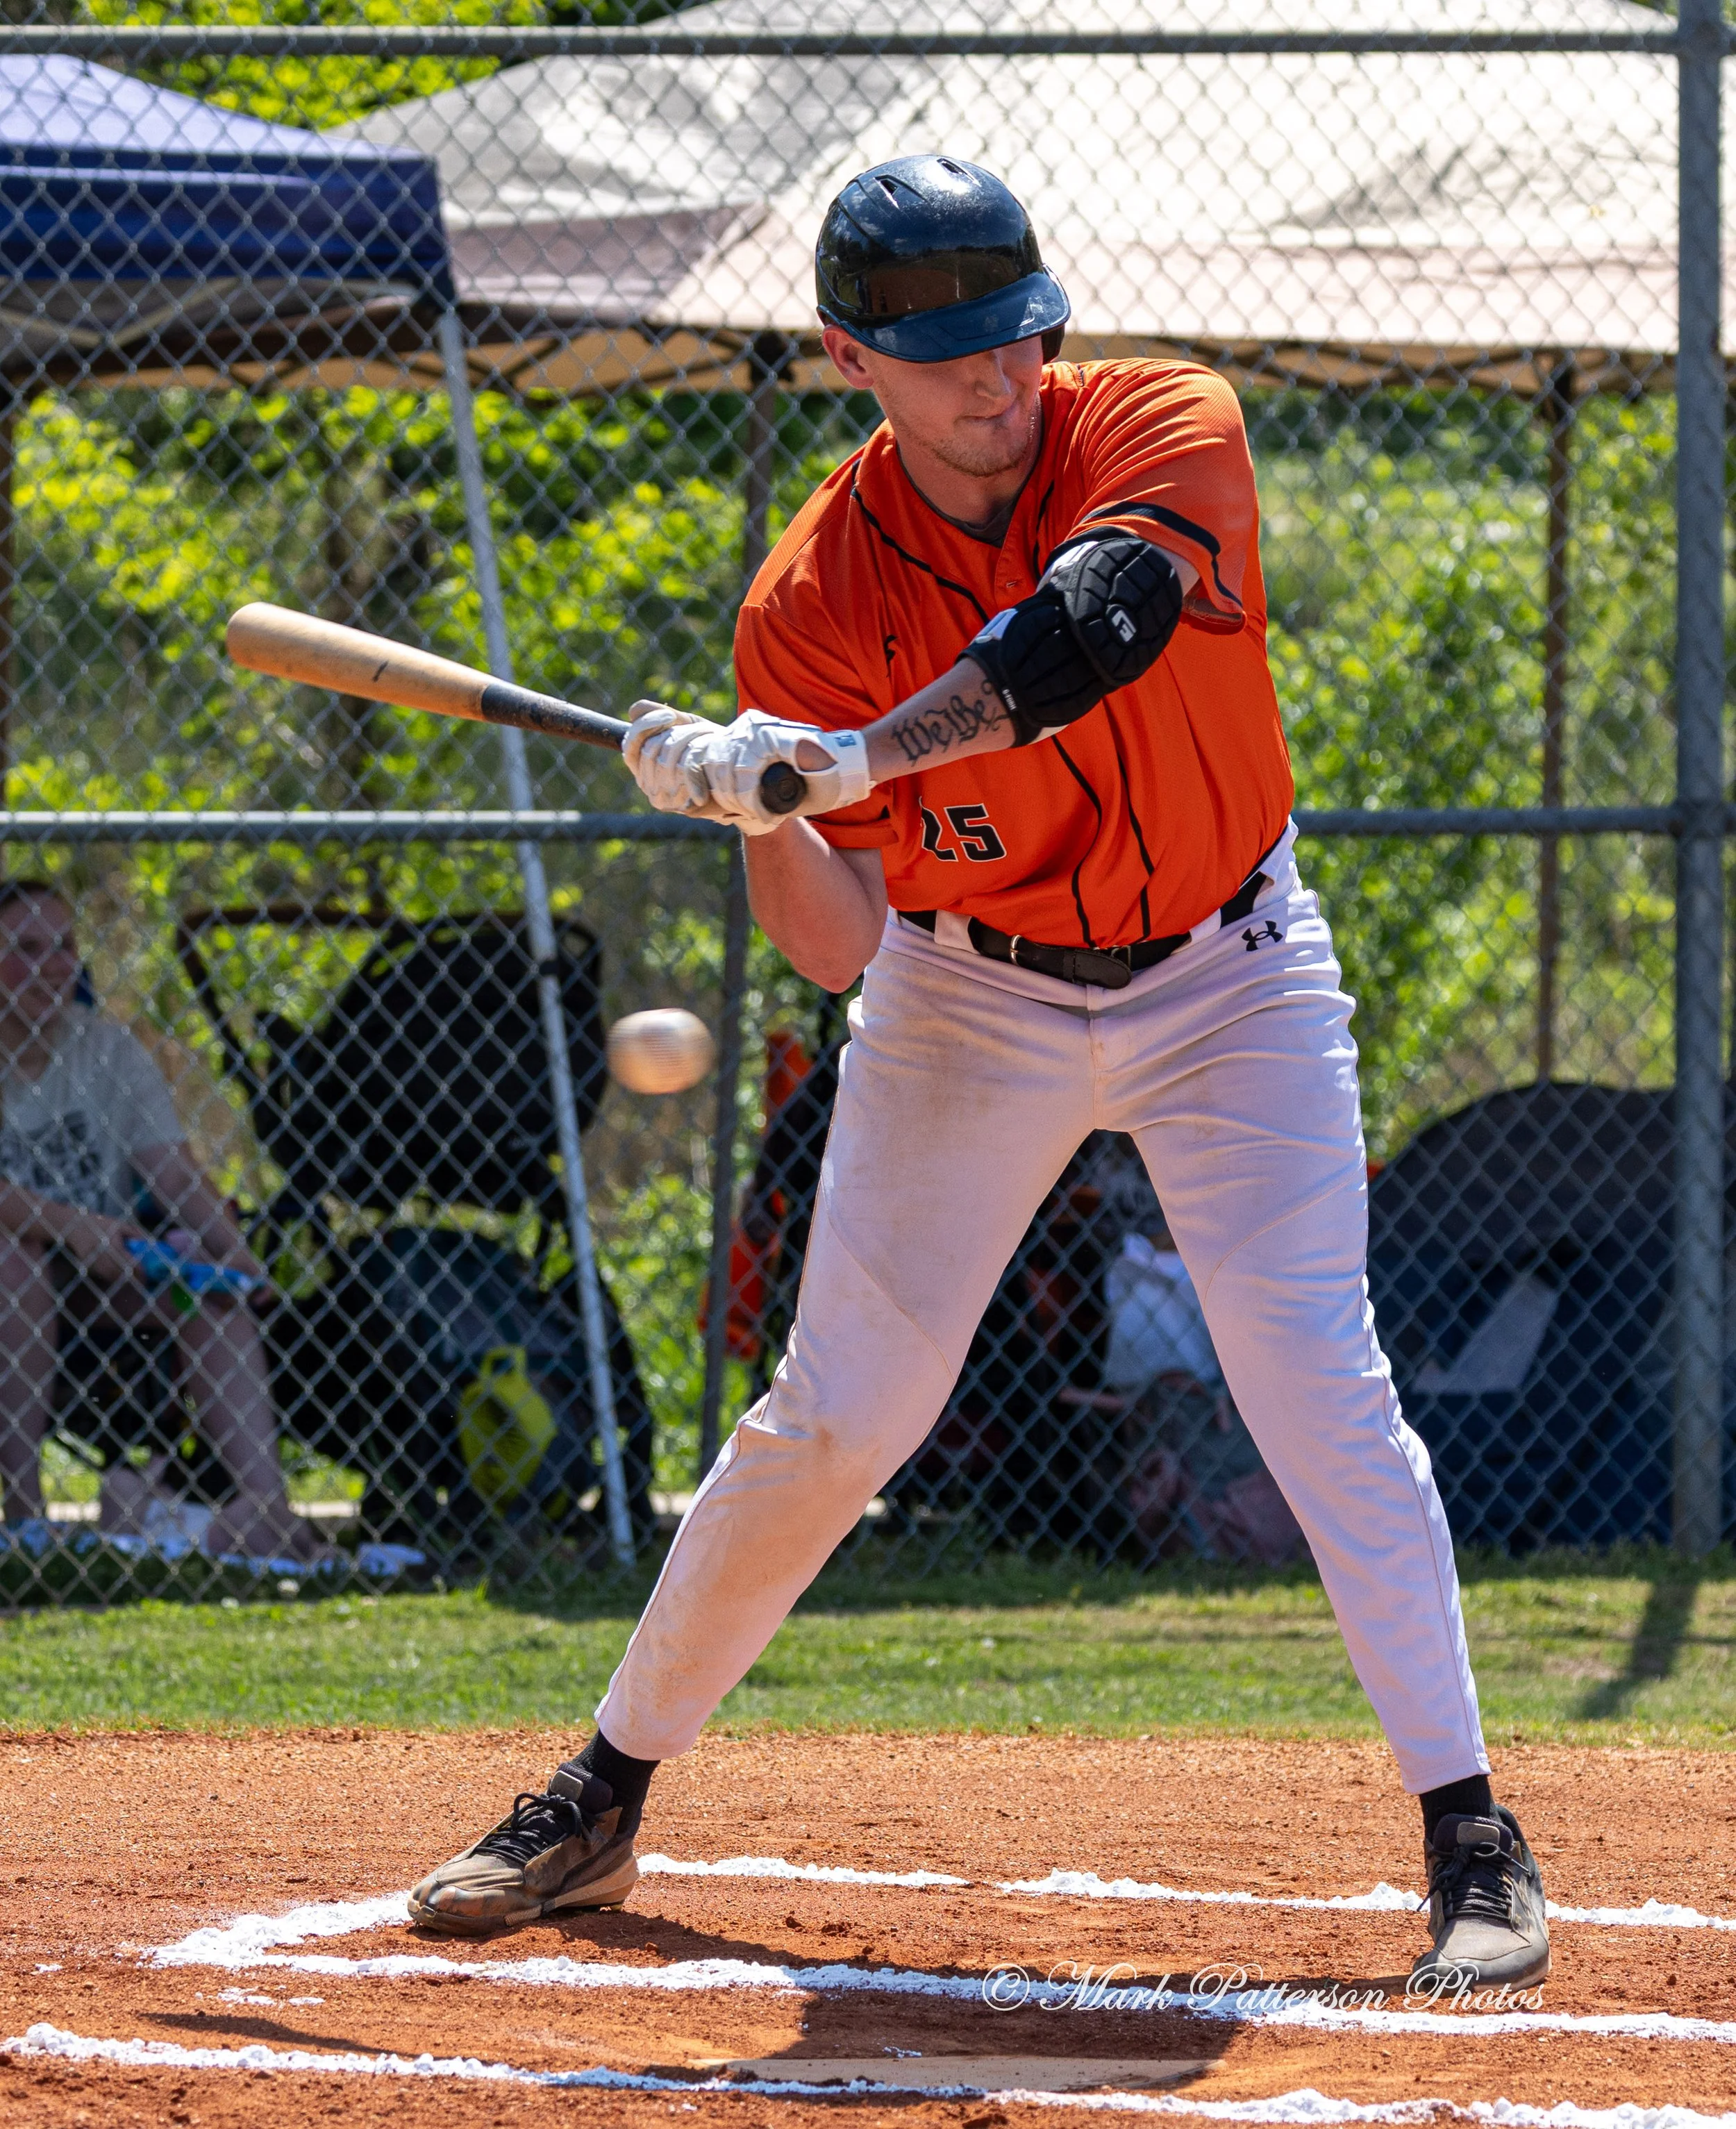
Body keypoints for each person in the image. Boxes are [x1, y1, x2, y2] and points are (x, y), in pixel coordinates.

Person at [409, 157, 1549, 1991]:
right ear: (851, 351)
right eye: (941, 356)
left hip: (1224, 974)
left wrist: (856, 751)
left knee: (1311, 1377)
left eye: (1015, 338)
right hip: (970, 997)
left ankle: (1470, 1835)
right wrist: (753, 802)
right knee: (837, 1413)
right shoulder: (806, 597)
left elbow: (1085, 633)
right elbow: (839, 939)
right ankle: (603, 1787)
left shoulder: (1164, 425)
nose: (995, 382)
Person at [0, 878, 329, 1564]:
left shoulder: (109, 1052)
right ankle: (25, 1517)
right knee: (18, 1259)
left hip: (107, 1275)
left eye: (64, 948)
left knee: (208, 1288)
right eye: (27, 950)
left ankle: (269, 1513)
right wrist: (70, 1226)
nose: (54, 969)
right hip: (18, 1279)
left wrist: (235, 1254)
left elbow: (174, 1175)